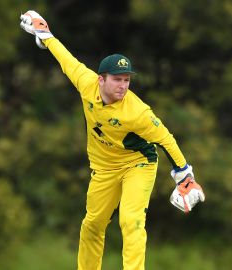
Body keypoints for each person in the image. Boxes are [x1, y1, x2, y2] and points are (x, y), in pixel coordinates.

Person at [19, 10, 205, 270]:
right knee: (92, 225)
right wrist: (44, 34)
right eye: (117, 80)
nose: (123, 86)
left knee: (131, 220)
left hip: (137, 164)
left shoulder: (137, 112)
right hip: (104, 168)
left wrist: (184, 175)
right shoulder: (87, 84)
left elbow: (165, 138)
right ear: (101, 79)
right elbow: (67, 60)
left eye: (127, 80)